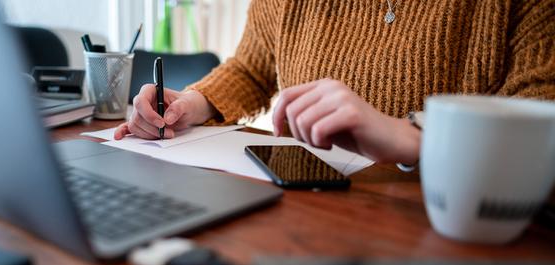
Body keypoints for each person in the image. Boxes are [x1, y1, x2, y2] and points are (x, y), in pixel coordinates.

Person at [115, 0, 555, 167]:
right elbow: (251, 67)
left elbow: (542, 121)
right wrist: (191, 102)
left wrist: (414, 137)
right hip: (308, 213)